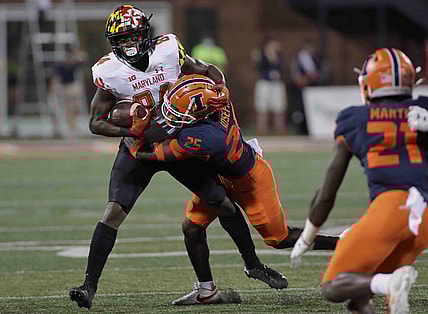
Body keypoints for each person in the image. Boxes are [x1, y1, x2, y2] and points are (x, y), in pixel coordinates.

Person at [69, 5, 286, 309]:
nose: (128, 46)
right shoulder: (109, 71)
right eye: (121, 41)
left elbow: (209, 71)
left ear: (145, 35)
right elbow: (95, 122)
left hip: (177, 143)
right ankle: (88, 286)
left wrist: (221, 87)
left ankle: (253, 265)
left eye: (132, 38)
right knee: (113, 212)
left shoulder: (168, 51)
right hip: (139, 149)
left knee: (221, 201)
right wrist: (132, 126)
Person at [129, 74, 340, 304]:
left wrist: (135, 138)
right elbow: (216, 82)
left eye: (179, 112)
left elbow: (152, 155)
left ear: (199, 113)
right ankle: (207, 291)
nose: (171, 116)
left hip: (250, 180)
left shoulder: (200, 137)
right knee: (192, 228)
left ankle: (343, 243)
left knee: (279, 239)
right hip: (221, 174)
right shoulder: (220, 100)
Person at [290, 48, 428, 314]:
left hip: (395, 208)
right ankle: (387, 283)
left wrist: (307, 237)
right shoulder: (422, 109)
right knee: (359, 294)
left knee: (334, 284)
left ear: (369, 83)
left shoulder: (355, 118)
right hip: (423, 220)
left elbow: (327, 193)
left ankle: (389, 283)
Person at [289, 41, 330, 135]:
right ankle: (300, 129)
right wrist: (303, 79)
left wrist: (316, 78)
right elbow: (296, 76)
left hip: (314, 89)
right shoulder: (298, 60)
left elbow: (322, 73)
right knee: (300, 110)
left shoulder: (317, 59)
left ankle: (309, 129)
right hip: (302, 89)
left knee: (313, 110)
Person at [252, 37, 287, 135]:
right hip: (264, 82)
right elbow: (258, 67)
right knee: (262, 107)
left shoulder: (279, 56)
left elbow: (282, 67)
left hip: (277, 83)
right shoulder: (260, 54)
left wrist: (273, 56)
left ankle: (280, 129)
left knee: (279, 107)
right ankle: (261, 129)